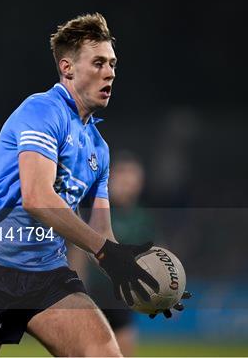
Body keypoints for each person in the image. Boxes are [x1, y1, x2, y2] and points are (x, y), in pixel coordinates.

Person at [0, 13, 189, 357]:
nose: (110, 72)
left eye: (113, 64)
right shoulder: (42, 111)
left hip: (47, 274)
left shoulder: (98, 148)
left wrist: (134, 273)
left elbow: (101, 231)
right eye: (99, 62)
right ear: (67, 68)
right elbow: (37, 198)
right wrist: (105, 250)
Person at [68, 151, 155, 356]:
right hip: (92, 296)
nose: (127, 182)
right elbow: (78, 251)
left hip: (121, 298)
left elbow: (155, 253)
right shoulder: (95, 207)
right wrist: (76, 292)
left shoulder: (142, 217)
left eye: (132, 177)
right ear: (112, 177)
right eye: (122, 175)